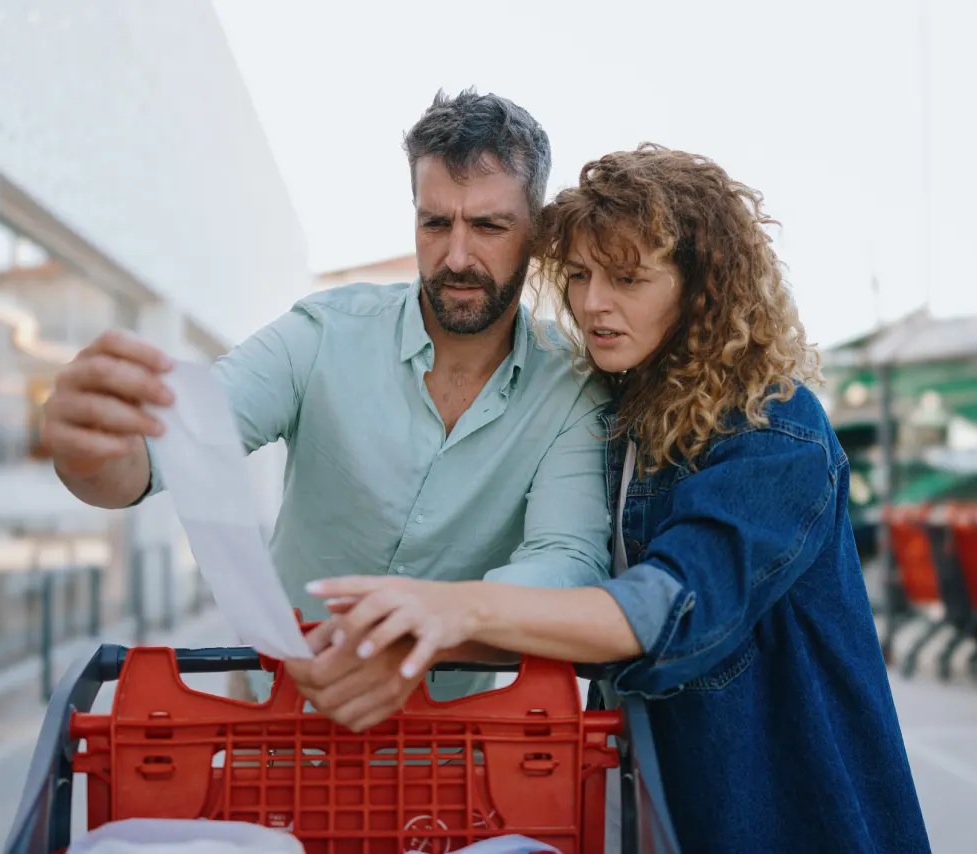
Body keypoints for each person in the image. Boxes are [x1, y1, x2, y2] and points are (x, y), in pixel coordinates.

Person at [307, 144, 932, 852]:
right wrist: (413, 639)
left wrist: (453, 607)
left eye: (628, 278)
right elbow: (579, 606)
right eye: (578, 275)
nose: (593, 303)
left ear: (704, 288)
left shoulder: (774, 429)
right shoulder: (621, 411)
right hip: (656, 811)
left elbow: (667, 611)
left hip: (792, 818)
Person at [40, 89, 610, 728]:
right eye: (433, 223)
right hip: (276, 718)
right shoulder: (321, 335)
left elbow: (567, 562)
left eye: (488, 226)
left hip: (449, 742)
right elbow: (157, 457)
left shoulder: (571, 386)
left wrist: (427, 637)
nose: (455, 256)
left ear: (536, 232)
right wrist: (88, 448)